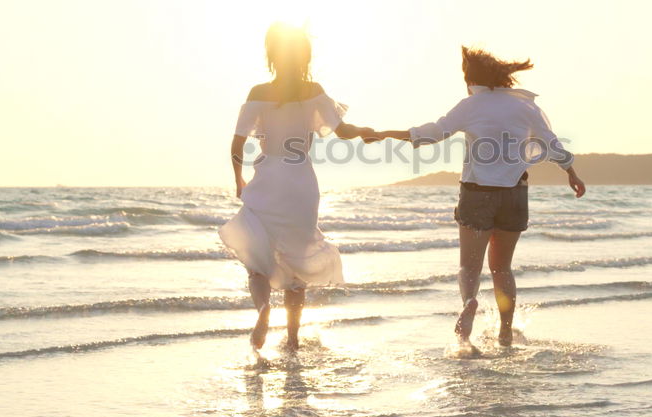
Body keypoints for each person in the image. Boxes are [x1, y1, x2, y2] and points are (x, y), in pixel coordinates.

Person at [376, 46, 585, 349]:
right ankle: (505, 332)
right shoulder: (525, 107)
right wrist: (571, 173)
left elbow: (434, 133)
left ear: (471, 79)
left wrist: (384, 134)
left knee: (469, 267)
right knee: (502, 268)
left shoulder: (471, 105)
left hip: (477, 193)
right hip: (514, 193)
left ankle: (468, 310)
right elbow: (552, 145)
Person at [219, 22, 380, 351]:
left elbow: (236, 145)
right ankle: (292, 339)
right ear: (304, 57)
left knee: (256, 259)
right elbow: (343, 130)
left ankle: (263, 309)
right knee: (297, 262)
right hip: (301, 183)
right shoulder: (313, 91)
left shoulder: (259, 93)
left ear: (272, 55)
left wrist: (239, 179)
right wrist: (364, 130)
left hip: (267, 180)